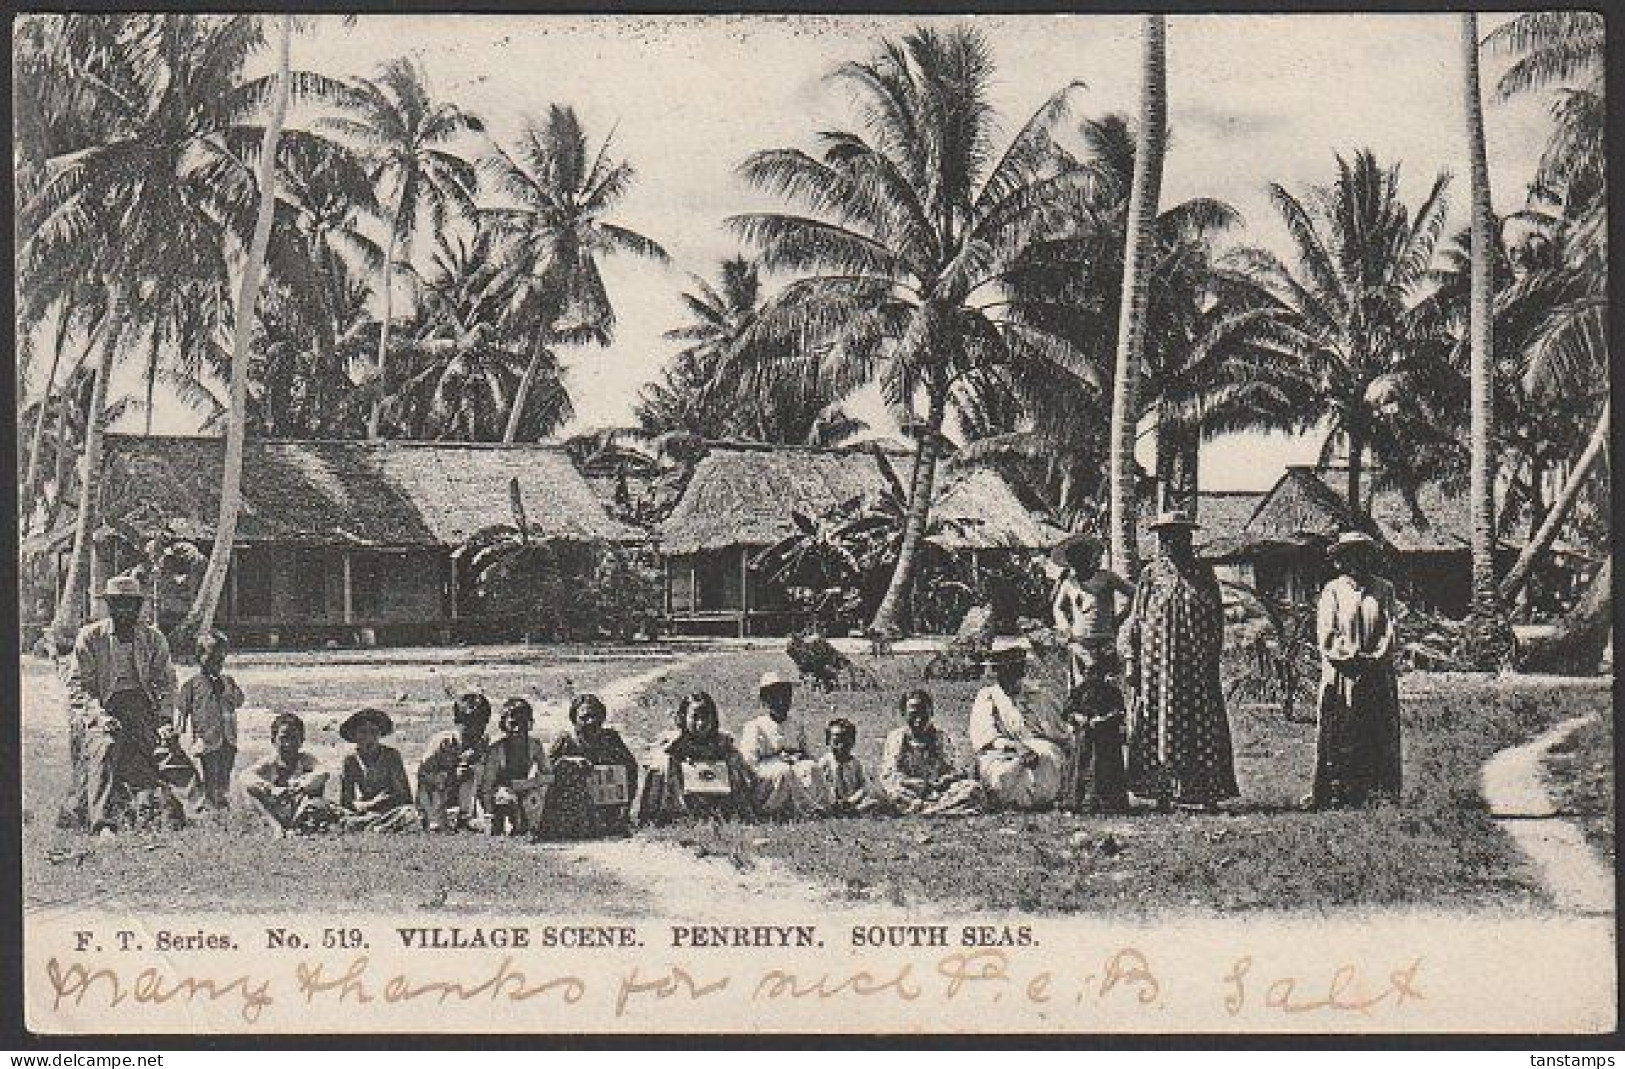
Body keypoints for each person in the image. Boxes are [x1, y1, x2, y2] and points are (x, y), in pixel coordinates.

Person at [1122, 511, 1238, 812]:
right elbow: (1137, 621)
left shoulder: (1203, 573)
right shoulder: (1150, 575)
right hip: (1156, 669)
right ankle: (1162, 792)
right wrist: (1132, 661)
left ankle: (1205, 793)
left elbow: (1216, 621)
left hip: (1196, 667)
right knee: (1158, 724)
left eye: (1178, 535)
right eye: (1166, 536)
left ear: (1189, 537)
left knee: (1200, 726)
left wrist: (1211, 657)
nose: (1171, 541)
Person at [62, 575, 180, 835]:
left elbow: (167, 683)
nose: (125, 610)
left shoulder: (153, 638)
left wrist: (164, 719)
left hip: (141, 707)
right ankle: (102, 823)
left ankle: (195, 810)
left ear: (138, 606)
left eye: (130, 604)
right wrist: (99, 716)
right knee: (106, 745)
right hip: (102, 706)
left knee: (163, 749)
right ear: (109, 606)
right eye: (118, 604)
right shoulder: (91, 637)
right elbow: (77, 686)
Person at [1308, 531, 1403, 809]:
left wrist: (1373, 658)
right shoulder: (1332, 591)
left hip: (1376, 674)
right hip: (1342, 675)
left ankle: (1376, 793)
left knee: (1375, 731)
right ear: (1340, 561)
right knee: (1342, 730)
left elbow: (1390, 629)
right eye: (1350, 556)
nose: (1356, 562)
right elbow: (1327, 633)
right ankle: (1339, 793)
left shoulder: (1383, 590)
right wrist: (1349, 657)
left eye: (1362, 554)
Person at [968, 645, 1073, 810]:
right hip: (1001, 749)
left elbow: (1057, 732)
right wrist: (1016, 747)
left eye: (1014, 670)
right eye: (1002, 671)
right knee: (1004, 771)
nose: (1007, 677)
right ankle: (1010, 798)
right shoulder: (988, 696)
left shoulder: (1038, 695)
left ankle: (1041, 798)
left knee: (1047, 757)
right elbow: (985, 735)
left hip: (1037, 748)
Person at [636, 692, 754, 824]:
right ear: (684, 718)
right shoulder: (674, 742)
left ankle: (729, 814)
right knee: (663, 762)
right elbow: (651, 765)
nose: (701, 723)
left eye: (705, 717)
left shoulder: (722, 742)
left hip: (716, 796)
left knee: (734, 760)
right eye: (695, 717)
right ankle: (669, 815)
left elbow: (744, 775)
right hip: (682, 798)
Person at [544, 694, 641, 839]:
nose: (591, 722)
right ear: (574, 720)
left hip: (606, 807)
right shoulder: (566, 741)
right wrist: (569, 761)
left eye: (595, 716)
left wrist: (625, 807)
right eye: (584, 718)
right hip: (572, 808)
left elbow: (631, 769)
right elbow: (546, 771)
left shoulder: (611, 738)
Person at [739, 671, 832, 818]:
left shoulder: (795, 724)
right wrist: (776, 757)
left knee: (811, 768)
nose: (781, 701)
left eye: (785, 695)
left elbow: (807, 752)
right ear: (765, 700)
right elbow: (749, 763)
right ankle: (776, 811)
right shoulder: (755, 726)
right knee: (783, 771)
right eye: (775, 696)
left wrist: (798, 756)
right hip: (768, 780)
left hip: (793, 771)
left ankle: (824, 806)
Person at [879, 690, 984, 816]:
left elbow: (954, 768)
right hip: (909, 790)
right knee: (891, 794)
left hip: (938, 791)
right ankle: (942, 809)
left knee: (973, 789)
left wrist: (944, 780)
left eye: (924, 714)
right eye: (913, 714)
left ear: (932, 713)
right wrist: (913, 783)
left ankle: (927, 809)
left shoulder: (940, 737)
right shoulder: (897, 738)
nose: (918, 719)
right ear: (903, 714)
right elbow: (889, 773)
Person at [1051, 532, 1134, 688]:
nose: (1077, 564)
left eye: (1081, 558)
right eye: (1073, 561)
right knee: (1082, 689)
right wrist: (1065, 627)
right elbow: (1057, 607)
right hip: (1079, 643)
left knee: (1108, 686)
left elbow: (1134, 593)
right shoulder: (1070, 583)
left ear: (1089, 558)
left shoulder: (1106, 578)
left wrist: (1119, 619)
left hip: (1105, 641)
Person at [173, 629, 244, 808]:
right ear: (199, 657)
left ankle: (222, 800)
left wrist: (226, 690)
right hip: (207, 739)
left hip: (228, 737)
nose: (216, 664)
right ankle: (211, 802)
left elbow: (239, 701)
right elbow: (182, 709)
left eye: (220, 660)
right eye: (211, 659)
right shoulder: (192, 684)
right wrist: (177, 733)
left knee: (225, 771)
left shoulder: (228, 681)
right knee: (210, 773)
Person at [242, 713, 339, 834]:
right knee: (251, 791)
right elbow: (245, 776)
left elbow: (323, 772)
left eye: (293, 738)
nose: (288, 744)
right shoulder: (269, 763)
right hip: (274, 811)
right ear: (273, 740)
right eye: (283, 738)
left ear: (302, 741)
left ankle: (298, 826)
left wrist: (301, 786)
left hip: (299, 809)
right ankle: (276, 828)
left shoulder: (305, 759)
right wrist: (270, 788)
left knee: (317, 793)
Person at [417, 693, 492, 832]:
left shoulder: (482, 743)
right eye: (470, 724)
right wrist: (451, 776)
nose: (476, 729)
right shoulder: (443, 742)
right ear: (457, 720)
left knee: (476, 772)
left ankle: (466, 817)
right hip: (437, 794)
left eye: (481, 723)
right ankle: (435, 820)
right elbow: (423, 775)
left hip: (464, 796)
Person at [1063, 661, 1130, 813]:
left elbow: (1119, 712)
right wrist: (1079, 718)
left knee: (1106, 768)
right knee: (1082, 766)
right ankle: (1077, 802)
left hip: (1107, 738)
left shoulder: (1112, 692)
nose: (1092, 677)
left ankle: (1109, 803)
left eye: (1096, 673)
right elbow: (1067, 712)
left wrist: (1104, 719)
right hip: (1085, 737)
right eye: (1088, 672)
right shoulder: (1079, 691)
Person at [338, 708, 419, 832]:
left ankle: (378, 827)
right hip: (364, 810)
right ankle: (376, 827)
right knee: (342, 819)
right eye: (363, 732)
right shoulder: (350, 760)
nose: (368, 737)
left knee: (409, 814)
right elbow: (346, 801)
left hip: (390, 809)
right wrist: (368, 804)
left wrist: (383, 801)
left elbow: (404, 796)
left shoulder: (391, 756)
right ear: (354, 735)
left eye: (374, 732)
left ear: (380, 734)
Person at [481, 698, 552, 837]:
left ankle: (532, 827)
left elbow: (548, 775)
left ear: (530, 724)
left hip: (523, 789)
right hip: (500, 795)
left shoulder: (534, 745)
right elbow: (487, 786)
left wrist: (530, 784)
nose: (518, 729)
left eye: (523, 724)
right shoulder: (497, 750)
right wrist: (488, 814)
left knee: (535, 797)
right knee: (506, 798)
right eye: (513, 724)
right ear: (504, 725)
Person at [815, 719, 888, 816]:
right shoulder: (824, 763)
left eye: (846, 742)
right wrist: (834, 801)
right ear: (828, 741)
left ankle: (853, 811)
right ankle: (840, 812)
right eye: (836, 742)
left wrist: (851, 800)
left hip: (852, 801)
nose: (841, 746)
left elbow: (863, 786)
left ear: (853, 742)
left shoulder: (856, 764)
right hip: (832, 802)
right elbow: (822, 788)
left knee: (875, 800)